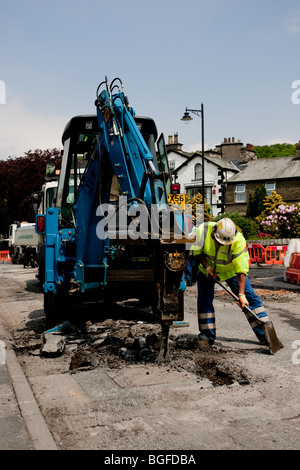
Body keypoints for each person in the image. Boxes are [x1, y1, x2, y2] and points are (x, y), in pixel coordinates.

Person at [191, 217, 271, 347]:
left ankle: (266, 335)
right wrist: (207, 267)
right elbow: (197, 252)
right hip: (207, 270)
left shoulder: (238, 240)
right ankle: (206, 336)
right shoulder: (203, 231)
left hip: (230, 271)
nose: (222, 245)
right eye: (220, 242)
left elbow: (241, 269)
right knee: (204, 300)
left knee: (250, 298)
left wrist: (241, 294)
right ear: (213, 233)